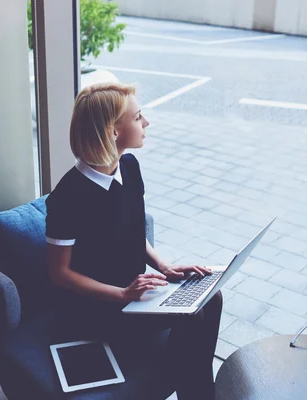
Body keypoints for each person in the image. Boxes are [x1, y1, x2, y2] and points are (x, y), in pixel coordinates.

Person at [45, 82, 223, 399]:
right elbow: (59, 274)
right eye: (138, 117)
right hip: (98, 308)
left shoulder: (129, 166)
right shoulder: (67, 197)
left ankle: (195, 386)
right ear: (114, 132)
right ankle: (194, 388)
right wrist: (122, 293)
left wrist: (163, 266)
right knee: (192, 318)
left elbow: (132, 229)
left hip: (134, 291)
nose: (146, 123)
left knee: (210, 294)